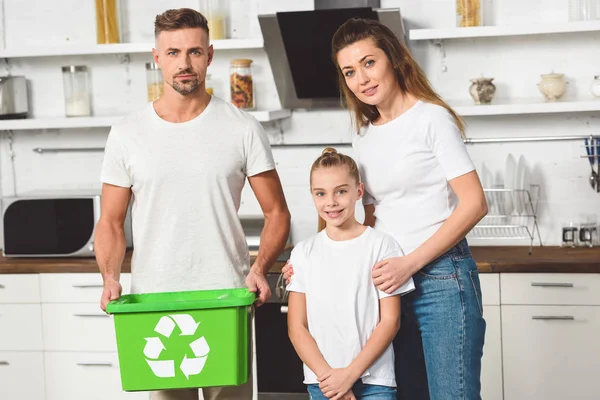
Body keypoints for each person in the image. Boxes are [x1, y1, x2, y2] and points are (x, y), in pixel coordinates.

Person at [283, 18, 488, 400]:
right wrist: (313, 258)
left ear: (392, 58)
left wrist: (408, 264)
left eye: (368, 63)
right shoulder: (364, 135)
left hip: (440, 280)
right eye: (349, 71)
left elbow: (475, 203)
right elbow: (363, 220)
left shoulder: (431, 118)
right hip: (386, 286)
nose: (361, 78)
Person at [95, 8, 291, 400]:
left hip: (226, 300)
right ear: (156, 57)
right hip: (154, 302)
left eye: (194, 52)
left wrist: (259, 268)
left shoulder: (242, 128)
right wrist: (110, 278)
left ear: (210, 54)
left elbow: (277, 213)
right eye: (173, 53)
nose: (184, 64)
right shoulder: (127, 133)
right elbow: (111, 222)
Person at [286, 147, 415, 400]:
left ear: (358, 192)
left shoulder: (382, 245)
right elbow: (296, 327)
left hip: (375, 381)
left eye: (341, 191)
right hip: (322, 382)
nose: (331, 202)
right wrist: (330, 379)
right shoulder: (303, 252)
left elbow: (390, 321)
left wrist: (348, 376)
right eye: (320, 193)